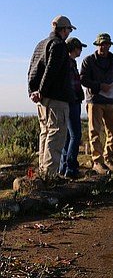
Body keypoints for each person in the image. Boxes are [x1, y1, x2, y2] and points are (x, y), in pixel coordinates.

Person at [27, 15, 75, 178]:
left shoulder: (41, 44)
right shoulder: (59, 45)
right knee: (56, 136)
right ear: (63, 29)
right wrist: (41, 90)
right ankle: (49, 177)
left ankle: (43, 173)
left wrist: (33, 91)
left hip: (42, 100)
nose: (69, 32)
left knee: (45, 134)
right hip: (56, 99)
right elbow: (51, 70)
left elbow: (31, 69)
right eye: (69, 29)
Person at [80, 33, 113, 174]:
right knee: (95, 132)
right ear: (97, 45)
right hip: (94, 100)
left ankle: (108, 158)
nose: (104, 47)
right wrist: (100, 86)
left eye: (106, 44)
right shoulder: (88, 60)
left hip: (111, 101)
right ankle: (97, 162)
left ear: (109, 45)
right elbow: (83, 79)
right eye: (101, 44)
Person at [58, 37, 87, 179]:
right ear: (74, 48)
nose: (80, 50)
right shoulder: (68, 63)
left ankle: (63, 168)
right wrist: (75, 97)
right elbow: (71, 85)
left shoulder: (70, 62)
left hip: (72, 101)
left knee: (69, 136)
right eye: (79, 48)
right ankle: (70, 168)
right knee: (75, 135)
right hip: (72, 102)